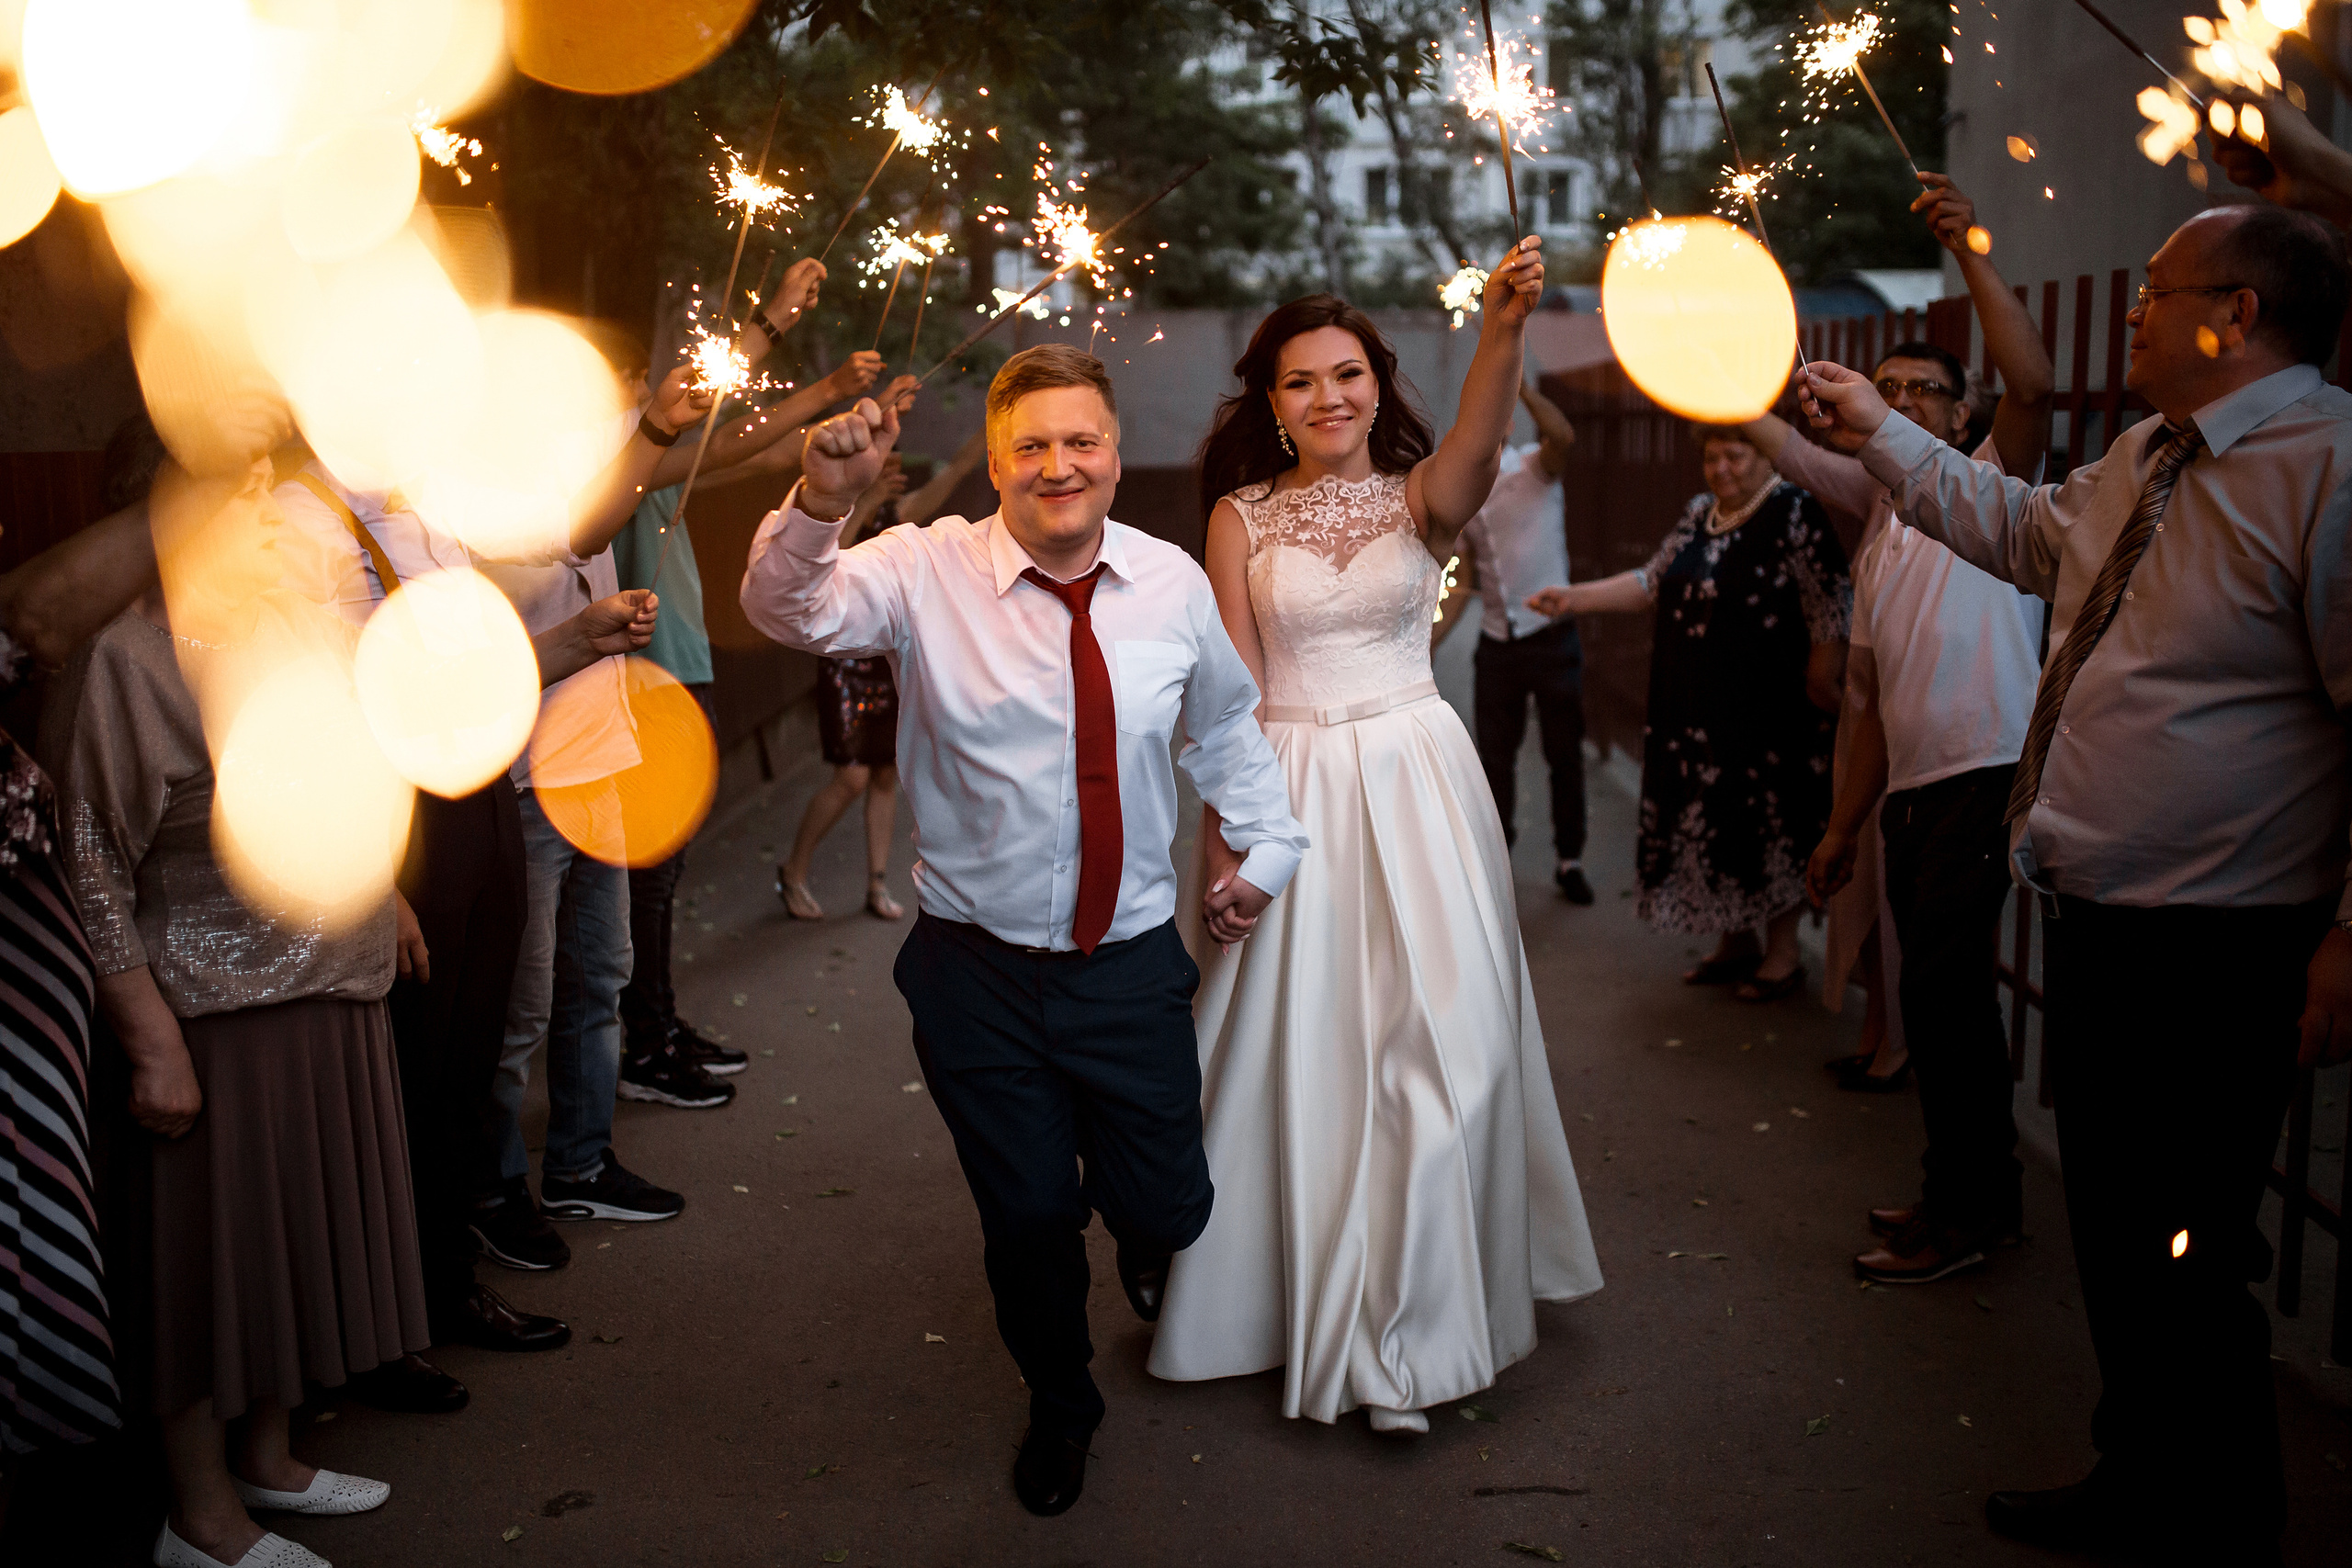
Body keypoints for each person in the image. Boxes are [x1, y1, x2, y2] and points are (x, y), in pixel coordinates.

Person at [1799, 203, 2352, 1564]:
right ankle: (2141, 1472)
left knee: (2189, 1241)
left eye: (2159, 291)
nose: (2136, 311)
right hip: (2102, 921)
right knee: (2117, 1229)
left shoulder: (2329, 469)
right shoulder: (2144, 458)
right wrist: (1878, 425)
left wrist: (2350, 932)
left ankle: (2220, 1514)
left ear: (2239, 313)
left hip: (2225, 940)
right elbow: (2018, 529)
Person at [741, 344, 1306, 1517]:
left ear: (1112, 451)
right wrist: (820, 504)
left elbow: (1225, 727)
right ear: (998, 462)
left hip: (1131, 958)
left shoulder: (1165, 582)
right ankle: (1060, 1404)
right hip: (975, 973)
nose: (1060, 465)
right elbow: (788, 606)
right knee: (1031, 1215)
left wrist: (1266, 850)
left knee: (1167, 1208)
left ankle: (1143, 1230)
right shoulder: (922, 569)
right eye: (1031, 446)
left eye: (1081, 441)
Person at [1148, 246, 1603, 1434]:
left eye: (1346, 374)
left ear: (1376, 381)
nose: (1327, 397)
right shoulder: (1238, 518)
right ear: (1269, 401)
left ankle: (1411, 1328)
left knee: (1450, 1047)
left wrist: (1503, 328)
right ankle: (1299, 1305)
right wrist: (1224, 850)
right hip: (1290, 791)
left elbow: (1477, 435)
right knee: (1307, 1055)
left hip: (1418, 780)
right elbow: (1228, 700)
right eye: (1299, 382)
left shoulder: (1424, 493)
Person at [51, 461, 414, 1568]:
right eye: (241, 493)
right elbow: (89, 858)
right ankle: (200, 1521)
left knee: (293, 1247)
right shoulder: (131, 657)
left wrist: (385, 888)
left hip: (332, 989)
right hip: (214, 1010)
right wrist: (150, 1040)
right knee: (206, 1271)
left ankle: (273, 1460)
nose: (271, 513)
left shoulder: (299, 626)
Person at [274, 437, 675, 1366]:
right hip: (406, 821)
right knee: (414, 1073)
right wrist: (379, 878)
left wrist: (578, 641)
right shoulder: (303, 520)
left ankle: (445, 1282)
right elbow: (334, 712)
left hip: (483, 793)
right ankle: (393, 1318)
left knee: (470, 1053)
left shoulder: (425, 510)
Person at [1761, 171, 2056, 1283]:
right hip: (1918, 792)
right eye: (1882, 389)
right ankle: (1966, 1198)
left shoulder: (1991, 482)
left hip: (1990, 769)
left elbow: (2033, 378)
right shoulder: (1878, 540)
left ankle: (1970, 1212)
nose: (1901, 402)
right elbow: (1873, 708)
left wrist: (1968, 247)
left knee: (1943, 997)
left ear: (1960, 414)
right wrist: (1844, 828)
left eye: (1923, 391)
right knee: (1938, 1005)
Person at [610, 341, 903, 1091]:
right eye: (636, 379)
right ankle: (641, 1041)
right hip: (645, 682)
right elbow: (736, 442)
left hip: (682, 671)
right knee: (645, 877)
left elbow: (750, 455)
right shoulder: (615, 470)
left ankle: (657, 1020)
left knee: (663, 873)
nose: (648, 391)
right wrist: (793, 352)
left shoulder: (648, 465)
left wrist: (842, 441)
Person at [1528, 429, 1850, 1002]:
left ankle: (1782, 954)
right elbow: (1649, 583)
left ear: (1764, 455)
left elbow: (1828, 606)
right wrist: (1573, 597)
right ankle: (1735, 941)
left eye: (1735, 455)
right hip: (1695, 703)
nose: (1721, 468)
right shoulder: (1700, 514)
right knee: (1712, 816)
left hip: (1769, 708)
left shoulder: (1795, 511)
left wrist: (1823, 681)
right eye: (1711, 456)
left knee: (1768, 818)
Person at [775, 428, 986, 920]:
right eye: (878, 458)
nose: (888, 465)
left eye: (891, 457)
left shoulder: (900, 515)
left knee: (887, 775)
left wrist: (988, 433)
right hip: (845, 663)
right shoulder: (837, 510)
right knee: (851, 778)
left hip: (887, 661)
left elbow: (954, 472)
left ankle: (875, 884)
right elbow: (824, 561)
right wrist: (865, 500)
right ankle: (793, 869)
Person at [1430, 377, 1593, 903]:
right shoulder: (1467, 500)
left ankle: (1570, 860)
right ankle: (1499, 858)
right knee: (1494, 759)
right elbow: (1463, 581)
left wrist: (1516, 385)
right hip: (1498, 644)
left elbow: (1563, 436)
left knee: (1562, 755)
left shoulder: (1535, 469)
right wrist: (1425, 643)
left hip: (1552, 640)